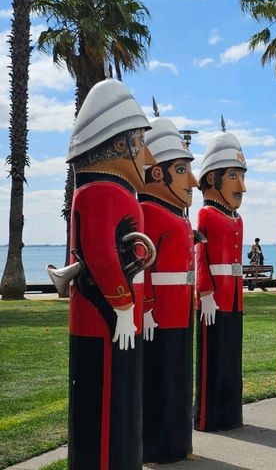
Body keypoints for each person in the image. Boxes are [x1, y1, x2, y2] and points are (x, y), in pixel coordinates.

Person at [65, 77, 154, 469]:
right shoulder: (102, 192)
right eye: (140, 142)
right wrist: (121, 304)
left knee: (122, 397)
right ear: (120, 144)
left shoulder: (114, 192)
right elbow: (100, 254)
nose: (148, 159)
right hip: (105, 315)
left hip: (120, 313)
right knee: (105, 402)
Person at [139, 115, 199, 463]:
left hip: (181, 310)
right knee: (161, 376)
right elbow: (143, 262)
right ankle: (159, 445)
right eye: (181, 170)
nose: (191, 181)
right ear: (157, 173)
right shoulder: (148, 210)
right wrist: (146, 305)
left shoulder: (179, 216)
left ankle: (179, 441)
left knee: (179, 376)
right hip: (160, 312)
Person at [194, 122, 247, 431]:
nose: (241, 187)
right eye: (234, 176)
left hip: (234, 299)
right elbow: (201, 255)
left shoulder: (235, 217)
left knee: (231, 359)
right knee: (212, 359)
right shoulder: (207, 214)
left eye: (241, 176)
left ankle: (230, 412)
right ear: (212, 179)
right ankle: (208, 415)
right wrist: (205, 291)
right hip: (215, 299)